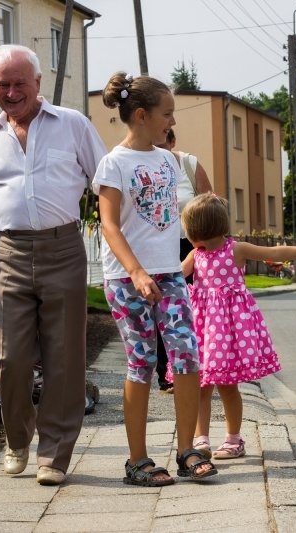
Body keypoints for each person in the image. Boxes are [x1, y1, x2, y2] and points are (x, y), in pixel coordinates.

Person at [0, 44, 107, 486]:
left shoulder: (73, 125)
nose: (12, 91)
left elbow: (104, 184)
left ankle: (55, 456)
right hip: (11, 254)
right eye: (3, 84)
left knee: (65, 357)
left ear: (38, 83)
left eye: (20, 82)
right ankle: (17, 438)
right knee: (9, 357)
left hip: (64, 250)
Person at [93, 71, 217, 486]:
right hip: (128, 280)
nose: (173, 122)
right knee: (142, 362)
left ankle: (187, 450)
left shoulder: (168, 161)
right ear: (142, 115)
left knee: (186, 355)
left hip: (169, 275)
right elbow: (108, 225)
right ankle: (137, 460)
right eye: (168, 114)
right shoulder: (113, 163)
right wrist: (136, 271)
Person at [179, 192, 296, 460]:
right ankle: (201, 439)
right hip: (203, 330)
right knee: (201, 386)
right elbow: (173, 276)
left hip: (229, 332)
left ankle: (233, 439)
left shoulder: (236, 249)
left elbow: (275, 252)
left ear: (198, 232)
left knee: (228, 386)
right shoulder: (196, 255)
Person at [154, 128, 214, 394]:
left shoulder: (189, 164)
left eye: (162, 144)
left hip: (190, 245)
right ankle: (166, 374)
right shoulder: (143, 166)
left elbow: (211, 205)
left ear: (173, 141)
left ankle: (198, 368)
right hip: (156, 249)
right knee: (161, 310)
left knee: (193, 311)